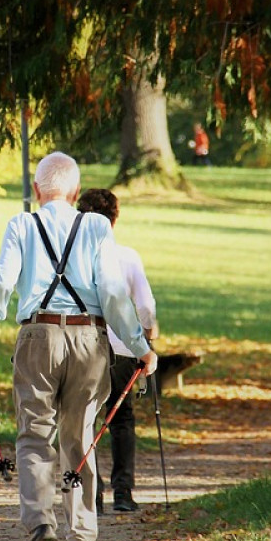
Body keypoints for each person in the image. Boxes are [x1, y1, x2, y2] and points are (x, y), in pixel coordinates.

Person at [0, 152, 158, 541]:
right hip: (88, 338)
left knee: (33, 433)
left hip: (37, 336)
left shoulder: (22, 224)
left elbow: (2, 284)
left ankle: (41, 524)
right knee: (80, 437)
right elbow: (114, 296)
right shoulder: (97, 226)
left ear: (36, 191)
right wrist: (140, 347)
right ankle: (83, 536)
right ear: (76, 192)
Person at [76, 188, 156, 515]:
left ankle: (91, 495)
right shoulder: (127, 256)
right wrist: (148, 335)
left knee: (86, 418)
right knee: (122, 419)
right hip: (123, 348)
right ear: (114, 219)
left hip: (85, 346)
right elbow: (146, 305)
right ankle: (123, 492)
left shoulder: (75, 258)